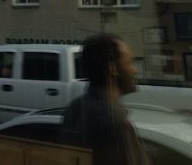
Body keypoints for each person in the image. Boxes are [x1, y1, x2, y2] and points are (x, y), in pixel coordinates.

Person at [61, 33, 149, 165]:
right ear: (113, 69)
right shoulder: (115, 123)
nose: (135, 70)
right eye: (130, 62)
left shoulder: (75, 107)